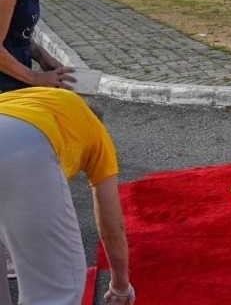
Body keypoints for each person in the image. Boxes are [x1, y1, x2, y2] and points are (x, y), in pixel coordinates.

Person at [0, 87, 135, 305]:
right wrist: (120, 285)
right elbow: (112, 226)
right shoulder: (96, 132)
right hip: (22, 147)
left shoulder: (33, 98)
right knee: (57, 290)